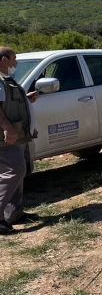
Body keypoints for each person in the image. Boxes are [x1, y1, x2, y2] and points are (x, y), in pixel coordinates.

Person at [0, 47, 40, 233]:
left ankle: (14, 213)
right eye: (14, 58)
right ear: (4, 60)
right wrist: (7, 128)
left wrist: (26, 98)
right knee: (14, 171)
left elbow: (8, 103)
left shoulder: (7, 80)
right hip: (7, 138)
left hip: (18, 135)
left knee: (18, 174)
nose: (16, 62)